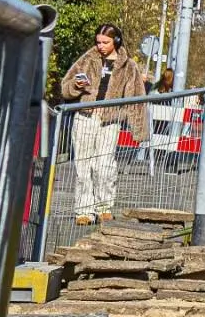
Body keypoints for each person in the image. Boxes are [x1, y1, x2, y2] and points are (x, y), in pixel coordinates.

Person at [56, 32, 147, 225]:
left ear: (116, 41)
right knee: (83, 165)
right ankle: (84, 211)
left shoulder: (129, 66)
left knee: (105, 166)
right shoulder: (87, 60)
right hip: (85, 116)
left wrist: (139, 129)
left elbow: (137, 96)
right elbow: (65, 87)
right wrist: (76, 86)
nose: (100, 46)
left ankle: (104, 207)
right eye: (98, 42)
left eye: (105, 42)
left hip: (110, 120)